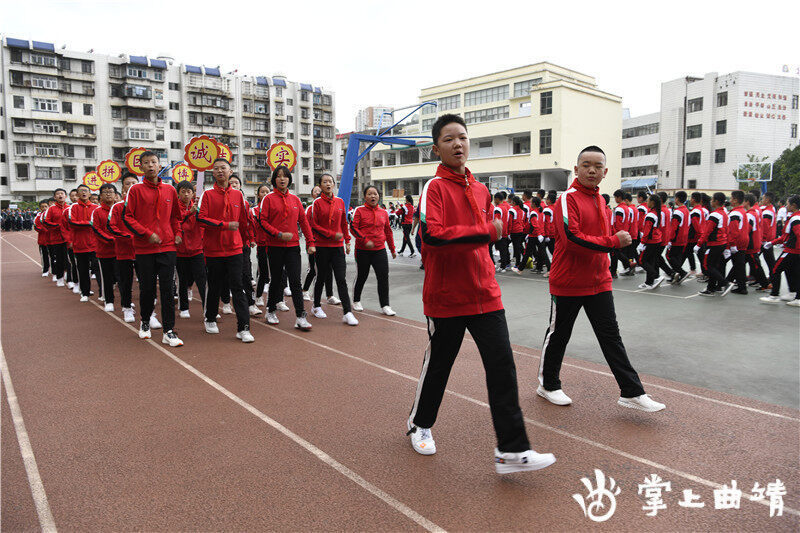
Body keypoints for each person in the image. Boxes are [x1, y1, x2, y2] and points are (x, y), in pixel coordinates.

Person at [408, 113, 555, 474]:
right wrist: (485, 232)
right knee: (440, 365)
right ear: (436, 149)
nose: (457, 144)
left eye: (462, 137)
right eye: (448, 139)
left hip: (485, 293)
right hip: (447, 295)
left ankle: (512, 450)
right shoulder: (434, 189)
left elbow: (481, 239)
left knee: (502, 366)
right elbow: (432, 236)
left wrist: (486, 246)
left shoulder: (481, 190)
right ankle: (420, 423)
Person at [538, 145, 665, 413]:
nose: (592, 170)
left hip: (599, 281)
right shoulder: (568, 199)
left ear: (605, 172)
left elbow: (599, 240)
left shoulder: (601, 202)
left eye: (598, 166)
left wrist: (613, 249)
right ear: (576, 169)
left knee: (611, 337)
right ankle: (548, 385)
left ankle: (632, 391)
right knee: (559, 335)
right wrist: (613, 242)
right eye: (586, 165)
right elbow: (571, 238)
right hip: (568, 282)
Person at [123, 150, 183, 346]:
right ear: (141, 167)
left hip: (167, 247)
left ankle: (169, 331)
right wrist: (147, 234)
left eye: (154, 162)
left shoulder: (170, 190)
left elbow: (175, 217)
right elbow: (128, 217)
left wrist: (178, 233)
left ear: (159, 165)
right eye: (146, 162)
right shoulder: (135, 190)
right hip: (144, 249)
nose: (150, 165)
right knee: (147, 289)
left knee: (168, 290)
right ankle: (145, 322)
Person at [196, 159, 254, 342]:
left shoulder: (238, 196)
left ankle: (243, 328)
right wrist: (223, 225)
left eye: (223, 168)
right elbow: (201, 219)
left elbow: (243, 221)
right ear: (213, 173)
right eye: (216, 169)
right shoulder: (207, 195)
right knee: (215, 286)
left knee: (238, 287)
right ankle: (210, 318)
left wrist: (246, 240)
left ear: (230, 172)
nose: (220, 171)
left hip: (235, 249)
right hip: (214, 250)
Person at [258, 165, 315, 330]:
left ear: (289, 179)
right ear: (274, 179)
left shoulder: (295, 200)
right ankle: (271, 310)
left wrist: (311, 242)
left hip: (293, 247)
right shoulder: (268, 199)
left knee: (295, 281)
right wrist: (278, 234)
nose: (282, 179)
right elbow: (263, 221)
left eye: (285, 176)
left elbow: (303, 222)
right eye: (279, 176)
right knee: (276, 280)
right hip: (274, 247)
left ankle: (300, 316)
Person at [308, 174, 358, 325]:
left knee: (341, 279)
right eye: (325, 182)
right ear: (320, 186)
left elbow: (343, 223)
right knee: (321, 277)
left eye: (330, 181)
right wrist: (331, 234)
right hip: (322, 247)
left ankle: (347, 312)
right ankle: (316, 306)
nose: (328, 184)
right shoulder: (317, 203)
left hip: (337, 248)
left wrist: (347, 241)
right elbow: (314, 225)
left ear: (334, 185)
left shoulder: (340, 202)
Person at [350, 185, 396, 315]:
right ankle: (356, 300)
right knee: (362, 276)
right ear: (365, 197)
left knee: (383, 276)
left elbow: (388, 231)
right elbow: (353, 228)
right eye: (369, 194)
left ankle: (385, 305)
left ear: (379, 196)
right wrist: (365, 240)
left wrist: (392, 249)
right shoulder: (359, 211)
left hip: (379, 250)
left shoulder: (383, 213)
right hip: (362, 250)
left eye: (375, 194)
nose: (373, 196)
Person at [108, 173, 140, 323]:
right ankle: (127, 308)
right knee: (126, 282)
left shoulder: (144, 205)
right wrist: (127, 236)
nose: (131, 185)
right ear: (123, 188)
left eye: (134, 182)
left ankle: (150, 313)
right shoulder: (117, 207)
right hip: (123, 251)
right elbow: (111, 226)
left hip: (142, 250)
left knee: (147, 282)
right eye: (128, 183)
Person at [760, 194, 800, 306]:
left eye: (787, 204)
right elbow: (786, 236)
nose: (786, 206)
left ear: (793, 205)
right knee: (792, 272)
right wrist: (772, 242)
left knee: (775, 269)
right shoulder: (795, 217)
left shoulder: (796, 219)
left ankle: (774, 295)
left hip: (792, 251)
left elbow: (798, 235)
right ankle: (794, 294)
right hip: (793, 250)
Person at [175, 180, 206, 320]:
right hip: (180, 251)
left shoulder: (198, 206)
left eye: (189, 192)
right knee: (182, 280)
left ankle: (208, 308)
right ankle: (184, 307)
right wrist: (189, 213)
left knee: (202, 280)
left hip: (197, 249)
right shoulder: (175, 207)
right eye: (183, 192)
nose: (186, 195)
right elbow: (176, 221)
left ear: (193, 193)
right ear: (178, 193)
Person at [301, 185, 334, 303]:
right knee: (314, 270)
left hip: (327, 244)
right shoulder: (310, 209)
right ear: (312, 195)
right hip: (314, 244)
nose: (318, 193)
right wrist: (311, 242)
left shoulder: (330, 206)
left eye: (320, 191)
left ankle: (330, 295)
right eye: (316, 192)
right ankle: (305, 290)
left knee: (329, 269)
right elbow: (307, 226)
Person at [66, 184, 99, 302]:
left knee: (98, 269)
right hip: (80, 245)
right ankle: (85, 292)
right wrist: (89, 223)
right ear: (77, 194)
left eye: (86, 191)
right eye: (81, 191)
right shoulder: (73, 207)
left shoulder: (96, 207)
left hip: (95, 244)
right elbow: (72, 222)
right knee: (83, 270)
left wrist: (84, 223)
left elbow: (98, 223)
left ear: (90, 193)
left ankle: (103, 293)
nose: (84, 193)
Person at [695, 192, 731, 297]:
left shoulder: (714, 215)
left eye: (712, 200)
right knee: (714, 266)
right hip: (722, 243)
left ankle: (725, 283)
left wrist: (699, 244)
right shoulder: (725, 213)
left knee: (708, 266)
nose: (711, 201)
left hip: (715, 243)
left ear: (716, 201)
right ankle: (711, 288)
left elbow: (707, 231)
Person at [91, 184, 119, 312]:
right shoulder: (97, 211)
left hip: (120, 250)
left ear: (115, 195)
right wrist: (111, 239)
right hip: (104, 250)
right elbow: (96, 229)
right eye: (105, 192)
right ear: (100, 196)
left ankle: (126, 302)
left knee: (122, 277)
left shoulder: (119, 209)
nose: (108, 194)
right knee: (107, 278)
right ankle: (109, 301)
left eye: (111, 192)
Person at [636, 194, 665, 290]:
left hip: (651, 241)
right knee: (650, 261)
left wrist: (642, 243)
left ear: (652, 202)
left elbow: (647, 231)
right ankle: (649, 282)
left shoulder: (651, 215)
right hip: (657, 240)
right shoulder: (657, 213)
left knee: (642, 260)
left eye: (648, 201)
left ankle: (656, 276)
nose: (647, 202)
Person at [725, 190, 749, 294]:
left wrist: (732, 244)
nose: (730, 200)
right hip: (743, 240)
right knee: (739, 265)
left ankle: (724, 283)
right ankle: (741, 286)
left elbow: (733, 231)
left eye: (731, 198)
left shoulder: (735, 213)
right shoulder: (742, 211)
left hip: (737, 242)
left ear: (735, 200)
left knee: (738, 265)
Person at [252, 184, 271, 307]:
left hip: (275, 244)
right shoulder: (254, 210)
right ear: (258, 194)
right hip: (262, 245)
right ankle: (258, 296)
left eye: (267, 192)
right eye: (262, 192)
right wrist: (252, 239)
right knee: (263, 273)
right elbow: (252, 227)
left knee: (279, 274)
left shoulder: (274, 208)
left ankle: (278, 300)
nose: (265, 194)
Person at [666, 191, 691, 285]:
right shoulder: (686, 210)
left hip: (677, 238)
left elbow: (674, 227)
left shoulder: (678, 212)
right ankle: (677, 275)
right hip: (684, 237)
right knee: (678, 257)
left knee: (669, 256)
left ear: (677, 199)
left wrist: (670, 239)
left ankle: (681, 272)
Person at [760, 192, 778, 282]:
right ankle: (771, 278)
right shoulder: (770, 209)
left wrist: (763, 239)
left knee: (770, 261)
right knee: (770, 261)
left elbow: (765, 227)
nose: (761, 200)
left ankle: (772, 279)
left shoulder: (767, 212)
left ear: (767, 200)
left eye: (763, 198)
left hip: (766, 240)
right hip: (768, 239)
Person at [33, 200, 51, 277]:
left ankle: (55, 270)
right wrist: (44, 229)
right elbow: (36, 226)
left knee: (53, 256)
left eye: (46, 206)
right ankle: (45, 269)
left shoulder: (51, 214)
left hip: (52, 240)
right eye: (42, 207)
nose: (44, 208)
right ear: (40, 208)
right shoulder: (38, 216)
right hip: (42, 240)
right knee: (44, 256)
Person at [509, 196, 527, 272]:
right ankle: (520, 262)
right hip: (520, 230)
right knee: (519, 247)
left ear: (514, 202)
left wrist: (509, 232)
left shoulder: (512, 210)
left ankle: (518, 264)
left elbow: (510, 222)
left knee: (516, 248)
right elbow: (523, 221)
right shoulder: (522, 211)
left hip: (514, 231)